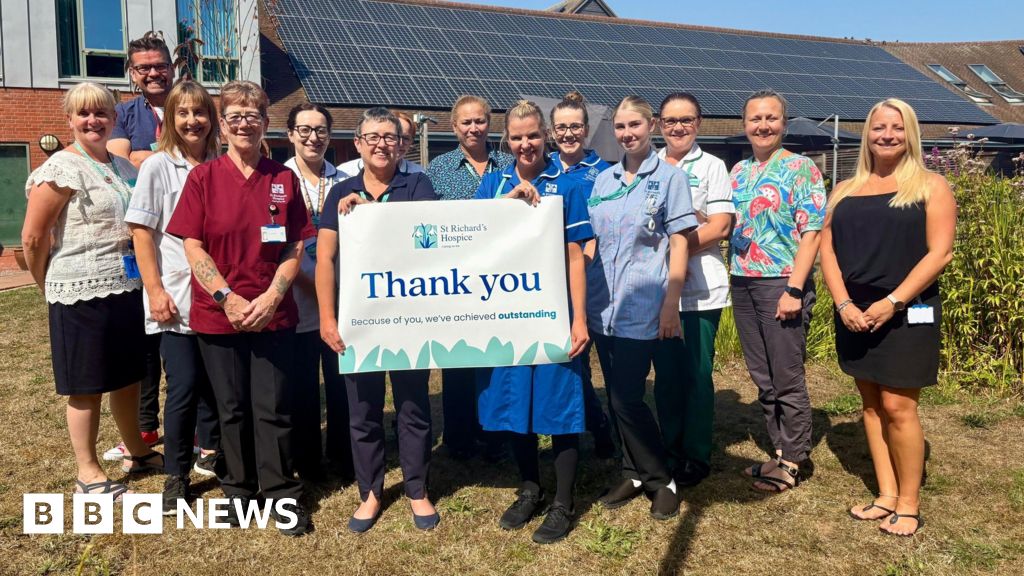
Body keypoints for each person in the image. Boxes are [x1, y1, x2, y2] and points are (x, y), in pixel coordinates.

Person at [166, 80, 313, 536]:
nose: (244, 124)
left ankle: (281, 493)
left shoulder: (283, 178)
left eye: (253, 116)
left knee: (274, 407)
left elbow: (294, 245)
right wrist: (227, 298)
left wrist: (271, 297)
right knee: (230, 408)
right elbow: (193, 245)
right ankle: (239, 491)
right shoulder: (203, 179)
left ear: (266, 122)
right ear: (223, 125)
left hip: (273, 314)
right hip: (219, 315)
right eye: (235, 116)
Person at [22, 82, 164, 500]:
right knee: (86, 385)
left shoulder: (123, 167)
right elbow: (34, 237)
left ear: (113, 118)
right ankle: (87, 471)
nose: (92, 120)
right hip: (79, 290)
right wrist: (45, 283)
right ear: (69, 120)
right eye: (83, 113)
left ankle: (137, 450)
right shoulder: (61, 168)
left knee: (128, 377)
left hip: (126, 286)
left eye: (100, 112)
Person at [821, 99, 955, 537]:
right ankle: (886, 495)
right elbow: (827, 250)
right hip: (855, 312)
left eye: (897, 127)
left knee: (899, 405)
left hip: (907, 310)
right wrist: (843, 304)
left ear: (910, 133)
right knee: (871, 404)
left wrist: (893, 301)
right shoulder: (844, 190)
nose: (887, 135)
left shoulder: (931, 186)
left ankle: (909, 504)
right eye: (879, 127)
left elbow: (940, 253)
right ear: (868, 134)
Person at [472, 100, 592, 544]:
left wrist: (579, 319)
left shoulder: (568, 184)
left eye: (533, 135)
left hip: (553, 313)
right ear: (507, 140)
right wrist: (507, 203)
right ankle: (529, 488)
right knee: (514, 402)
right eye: (517, 137)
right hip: (508, 314)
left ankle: (563, 501)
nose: (526, 144)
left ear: (546, 136)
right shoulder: (494, 182)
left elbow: (575, 257)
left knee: (559, 404)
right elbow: (476, 239)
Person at [316, 107, 440, 533]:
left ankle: (417, 488)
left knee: (413, 405)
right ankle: (369, 491)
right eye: (372, 137)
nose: (381, 145)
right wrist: (327, 318)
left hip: (408, 317)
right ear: (358, 143)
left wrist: (369, 211)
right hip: (358, 319)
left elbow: (427, 241)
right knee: (363, 409)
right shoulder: (340, 192)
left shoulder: (418, 185)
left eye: (390, 137)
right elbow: (325, 259)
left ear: (402, 144)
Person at [588, 95, 698, 520]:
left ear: (650, 126)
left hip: (643, 305)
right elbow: (592, 242)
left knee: (626, 398)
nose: (627, 133)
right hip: (603, 307)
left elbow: (680, 243)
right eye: (620, 127)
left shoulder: (670, 178)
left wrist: (671, 302)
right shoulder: (604, 180)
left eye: (634, 125)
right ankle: (632, 472)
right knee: (619, 397)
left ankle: (660, 478)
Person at [124, 80, 224, 513]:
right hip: (177, 298)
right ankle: (176, 475)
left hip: (220, 298)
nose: (192, 120)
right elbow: (141, 234)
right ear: (170, 120)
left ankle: (215, 454)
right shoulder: (157, 167)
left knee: (218, 386)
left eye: (200, 112)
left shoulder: (223, 164)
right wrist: (155, 290)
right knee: (182, 387)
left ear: (211, 119)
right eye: (183, 113)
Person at [730, 90, 826, 493]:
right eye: (755, 119)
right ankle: (780, 450)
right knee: (762, 376)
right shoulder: (738, 171)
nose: (763, 125)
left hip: (781, 282)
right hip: (742, 281)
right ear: (745, 125)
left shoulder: (801, 168)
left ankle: (794, 460)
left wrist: (794, 289)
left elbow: (812, 233)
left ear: (784, 123)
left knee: (786, 376)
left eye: (771, 118)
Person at [651, 92, 735, 487]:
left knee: (697, 375)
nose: (678, 127)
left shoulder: (712, 166)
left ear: (698, 123)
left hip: (700, 290)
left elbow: (720, 225)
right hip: (657, 290)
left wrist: (673, 246)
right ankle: (670, 450)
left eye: (686, 120)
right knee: (666, 376)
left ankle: (696, 455)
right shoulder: (649, 165)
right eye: (670, 121)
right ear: (659, 125)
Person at [426, 95, 513, 461]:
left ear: (490, 123)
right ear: (454, 127)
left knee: (495, 358)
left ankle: (495, 435)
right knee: (458, 359)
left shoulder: (509, 164)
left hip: (501, 280)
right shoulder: (438, 168)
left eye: (480, 121)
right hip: (456, 282)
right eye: (466, 122)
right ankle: (459, 437)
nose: (474, 128)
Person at [103, 31, 175, 462]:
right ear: (132, 73)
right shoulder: (124, 114)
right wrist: (168, 157)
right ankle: (146, 428)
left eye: (159, 65)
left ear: (172, 67)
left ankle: (195, 428)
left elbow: (206, 157)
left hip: (185, 238)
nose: (152, 73)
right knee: (145, 341)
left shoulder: (191, 103)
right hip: (141, 237)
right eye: (143, 67)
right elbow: (119, 160)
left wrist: (145, 156)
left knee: (183, 341)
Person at [283, 102, 354, 482]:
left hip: (342, 299)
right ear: (290, 134)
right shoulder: (279, 179)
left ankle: (344, 456)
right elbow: (278, 244)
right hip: (297, 300)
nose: (313, 137)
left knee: (342, 384)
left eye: (321, 130)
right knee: (303, 386)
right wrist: (313, 286)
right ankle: (307, 461)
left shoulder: (345, 179)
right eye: (305, 130)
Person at [547, 90, 615, 460]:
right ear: (551, 131)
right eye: (561, 127)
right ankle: (595, 426)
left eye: (575, 127)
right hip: (550, 284)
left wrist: (586, 255)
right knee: (572, 364)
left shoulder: (605, 172)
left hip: (596, 278)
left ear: (586, 130)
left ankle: (611, 433)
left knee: (600, 364)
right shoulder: (543, 169)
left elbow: (609, 225)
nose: (568, 133)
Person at [337, 111, 424, 177]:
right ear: (358, 143)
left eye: (405, 138)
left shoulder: (419, 174)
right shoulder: (344, 173)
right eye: (390, 137)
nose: (399, 143)